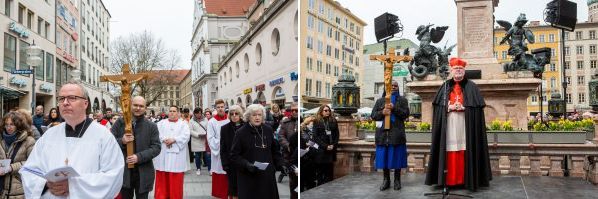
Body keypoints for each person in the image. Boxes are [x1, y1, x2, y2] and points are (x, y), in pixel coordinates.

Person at [19, 80, 124, 198]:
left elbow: (113, 175)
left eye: (72, 98)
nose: (65, 103)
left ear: (85, 103)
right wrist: (45, 184)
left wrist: (73, 185)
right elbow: (29, 170)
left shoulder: (103, 136)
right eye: (61, 98)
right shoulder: (49, 135)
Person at [425, 58, 492, 191]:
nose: (458, 71)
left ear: (464, 71)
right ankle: (448, 180)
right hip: (449, 125)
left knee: (465, 149)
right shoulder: (445, 86)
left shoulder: (472, 87)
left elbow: (477, 110)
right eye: (456, 69)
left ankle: (465, 180)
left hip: (465, 125)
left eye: (461, 69)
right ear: (451, 70)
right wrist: (448, 107)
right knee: (449, 149)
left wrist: (464, 107)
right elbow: (438, 108)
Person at [112, 96, 161, 199]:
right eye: (135, 105)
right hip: (124, 172)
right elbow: (109, 144)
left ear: (145, 108)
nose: (138, 108)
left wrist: (139, 157)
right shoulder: (120, 123)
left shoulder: (151, 126)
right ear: (130, 105)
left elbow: (156, 147)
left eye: (141, 106)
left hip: (143, 172)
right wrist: (122, 141)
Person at [231, 104, 284, 199]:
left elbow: (275, 151)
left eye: (259, 115)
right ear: (248, 117)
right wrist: (247, 164)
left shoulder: (268, 129)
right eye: (254, 115)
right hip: (249, 177)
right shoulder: (241, 132)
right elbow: (234, 156)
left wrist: (281, 164)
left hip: (267, 176)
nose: (257, 117)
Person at [371, 80, 410, 191]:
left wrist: (394, 108)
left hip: (397, 135)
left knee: (397, 159)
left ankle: (397, 180)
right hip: (383, 135)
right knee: (384, 159)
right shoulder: (380, 101)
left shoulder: (403, 100)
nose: (393, 87)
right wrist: (382, 112)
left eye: (395, 86)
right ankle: (386, 180)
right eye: (390, 85)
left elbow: (406, 114)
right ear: (386, 87)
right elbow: (373, 115)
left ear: (398, 88)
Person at [153, 106, 190, 199]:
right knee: (162, 181)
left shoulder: (183, 124)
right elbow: (156, 135)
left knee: (175, 182)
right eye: (170, 111)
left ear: (178, 113)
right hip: (163, 156)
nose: (172, 113)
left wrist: (174, 139)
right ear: (168, 113)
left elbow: (186, 136)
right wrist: (165, 140)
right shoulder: (160, 123)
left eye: (174, 111)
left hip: (177, 157)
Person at [0, 112, 36, 198]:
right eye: (6, 124)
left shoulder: (29, 141)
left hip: (18, 190)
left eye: (12, 124)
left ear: (19, 125)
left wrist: (11, 167)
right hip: (1, 190)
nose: (8, 127)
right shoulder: (1, 139)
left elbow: (33, 163)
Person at [220, 105, 244, 199]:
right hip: (231, 164)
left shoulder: (246, 126)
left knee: (244, 188)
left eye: (236, 113)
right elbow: (223, 148)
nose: (234, 116)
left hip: (244, 162)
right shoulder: (224, 128)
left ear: (240, 114)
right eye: (232, 114)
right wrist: (225, 164)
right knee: (233, 189)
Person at [207, 99, 230, 198]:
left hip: (229, 151)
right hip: (218, 151)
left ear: (225, 107)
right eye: (218, 107)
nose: (220, 109)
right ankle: (220, 193)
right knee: (219, 170)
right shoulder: (212, 121)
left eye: (222, 107)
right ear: (215, 108)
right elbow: (210, 138)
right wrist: (221, 144)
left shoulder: (230, 119)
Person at [312, 105, 339, 185]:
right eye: (325, 110)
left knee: (330, 172)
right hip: (322, 150)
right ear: (321, 111)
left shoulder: (333, 121)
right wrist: (325, 146)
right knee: (320, 172)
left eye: (329, 110)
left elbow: (337, 134)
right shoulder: (317, 121)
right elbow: (315, 136)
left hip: (331, 149)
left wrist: (333, 145)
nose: (328, 112)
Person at [278, 103, 299, 199]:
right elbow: (281, 136)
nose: (294, 112)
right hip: (290, 156)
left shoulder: (302, 121)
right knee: (293, 183)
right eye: (292, 110)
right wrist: (288, 146)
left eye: (297, 110)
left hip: (303, 156)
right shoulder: (285, 123)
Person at [190, 108, 209, 176]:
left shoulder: (205, 119)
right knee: (197, 156)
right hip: (196, 140)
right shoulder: (191, 121)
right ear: (194, 114)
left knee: (206, 155)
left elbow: (208, 127)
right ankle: (198, 168)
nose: (199, 115)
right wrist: (198, 135)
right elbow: (190, 131)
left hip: (204, 139)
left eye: (200, 113)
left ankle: (210, 169)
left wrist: (205, 133)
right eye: (197, 113)